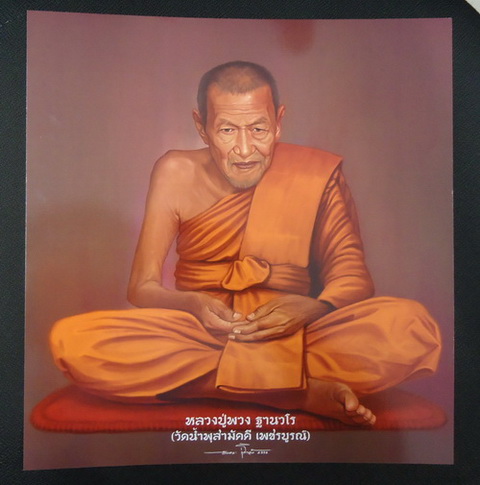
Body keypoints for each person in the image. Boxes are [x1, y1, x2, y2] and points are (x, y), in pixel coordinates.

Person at [50, 61, 441, 426]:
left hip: (293, 333)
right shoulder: (174, 172)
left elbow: (352, 276)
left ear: (279, 122)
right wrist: (192, 304)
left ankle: (232, 382)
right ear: (202, 127)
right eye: (226, 130)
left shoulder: (314, 174)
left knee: (411, 328)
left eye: (258, 129)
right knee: (76, 342)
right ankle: (297, 394)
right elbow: (142, 287)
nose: (243, 150)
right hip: (204, 334)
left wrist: (312, 308)